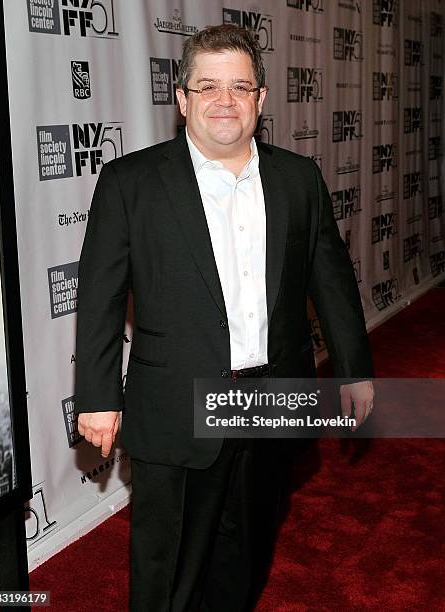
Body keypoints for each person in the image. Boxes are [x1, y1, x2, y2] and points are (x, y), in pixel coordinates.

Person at [75, 24, 374, 612]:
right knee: (167, 571)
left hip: (271, 398)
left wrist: (355, 370)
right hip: (176, 402)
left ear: (261, 98)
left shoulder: (298, 179)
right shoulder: (130, 182)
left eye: (240, 86)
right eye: (207, 86)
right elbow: (100, 299)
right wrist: (96, 396)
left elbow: (332, 281)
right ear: (182, 98)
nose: (225, 100)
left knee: (247, 555)